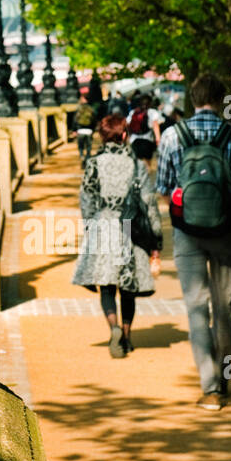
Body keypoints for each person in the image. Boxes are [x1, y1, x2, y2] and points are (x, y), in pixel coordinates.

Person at [154, 73, 231, 411]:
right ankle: (227, 374)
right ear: (221, 99)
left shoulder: (171, 135)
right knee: (224, 308)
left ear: (192, 99)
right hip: (225, 231)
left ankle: (210, 388)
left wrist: (185, 220)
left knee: (197, 308)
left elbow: (165, 188)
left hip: (188, 234)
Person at [72, 113, 162, 358]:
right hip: (129, 226)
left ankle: (112, 326)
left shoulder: (93, 163)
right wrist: (156, 237)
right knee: (128, 286)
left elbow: (86, 198)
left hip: (104, 224)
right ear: (124, 135)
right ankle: (127, 335)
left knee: (107, 285)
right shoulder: (135, 164)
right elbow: (148, 202)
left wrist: (90, 224)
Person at [74, 95, 98, 166]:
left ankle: (82, 156)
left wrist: (74, 130)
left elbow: (75, 120)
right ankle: (87, 159)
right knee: (88, 147)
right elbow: (94, 120)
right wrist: (93, 130)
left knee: (81, 146)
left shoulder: (78, 109)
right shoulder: (91, 109)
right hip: (89, 131)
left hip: (80, 130)